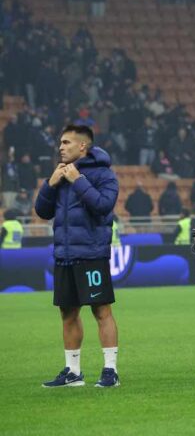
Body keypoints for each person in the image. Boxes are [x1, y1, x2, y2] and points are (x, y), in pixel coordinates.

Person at [34, 125, 120, 387]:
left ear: (83, 146)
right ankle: (73, 373)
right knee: (67, 313)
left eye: (66, 142)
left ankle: (110, 371)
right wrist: (50, 185)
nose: (60, 147)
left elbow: (104, 206)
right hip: (65, 254)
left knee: (101, 310)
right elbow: (42, 212)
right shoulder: (60, 174)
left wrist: (78, 180)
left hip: (91, 254)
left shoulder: (104, 174)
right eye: (60, 142)